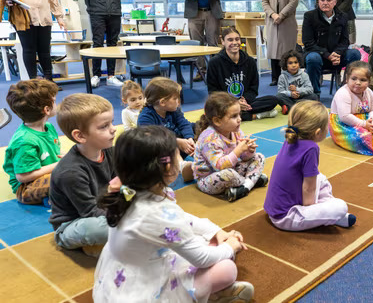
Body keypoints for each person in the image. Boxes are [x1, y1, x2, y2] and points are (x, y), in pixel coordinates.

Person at [93, 126, 253, 303]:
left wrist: (217, 232)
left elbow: (181, 219)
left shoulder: (131, 190)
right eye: (178, 154)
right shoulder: (155, 212)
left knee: (208, 240)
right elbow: (202, 258)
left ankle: (207, 290)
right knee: (226, 268)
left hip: (126, 275)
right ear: (168, 167)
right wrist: (231, 246)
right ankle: (209, 295)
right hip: (142, 293)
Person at [264, 100, 356, 231]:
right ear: (318, 132)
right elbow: (308, 188)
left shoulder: (292, 137)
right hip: (286, 217)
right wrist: (313, 210)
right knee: (341, 207)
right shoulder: (311, 148)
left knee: (320, 177)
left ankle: (327, 214)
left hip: (276, 208)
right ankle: (329, 216)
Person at [49, 93, 116, 256]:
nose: (113, 129)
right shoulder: (70, 172)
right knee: (99, 229)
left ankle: (116, 238)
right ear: (80, 135)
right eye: (104, 126)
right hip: (75, 223)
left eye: (112, 123)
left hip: (105, 208)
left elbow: (121, 186)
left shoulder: (110, 152)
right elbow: (90, 211)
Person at [193, 92, 268, 202]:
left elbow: (244, 158)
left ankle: (245, 187)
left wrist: (249, 151)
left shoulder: (236, 131)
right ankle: (251, 180)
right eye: (234, 116)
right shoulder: (209, 138)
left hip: (232, 169)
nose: (239, 119)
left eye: (239, 114)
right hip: (209, 178)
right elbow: (219, 166)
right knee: (229, 174)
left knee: (259, 157)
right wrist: (238, 150)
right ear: (217, 121)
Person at [4, 79, 60, 205]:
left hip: (47, 174)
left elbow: (54, 152)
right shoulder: (24, 141)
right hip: (26, 187)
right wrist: (59, 165)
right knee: (68, 177)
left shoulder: (49, 127)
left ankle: (55, 196)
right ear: (46, 110)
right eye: (55, 101)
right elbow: (22, 177)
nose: (57, 104)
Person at [207, 27, 279, 121]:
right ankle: (253, 116)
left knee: (273, 100)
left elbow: (253, 89)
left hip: (245, 102)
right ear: (223, 41)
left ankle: (232, 116)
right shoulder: (214, 63)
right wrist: (234, 103)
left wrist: (244, 100)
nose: (234, 43)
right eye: (230, 40)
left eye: (237, 39)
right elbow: (213, 92)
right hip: (225, 103)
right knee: (213, 108)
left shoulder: (250, 61)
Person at [330, 61, 373, 156]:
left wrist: (372, 122)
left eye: (363, 80)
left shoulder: (369, 92)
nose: (358, 83)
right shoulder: (343, 93)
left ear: (369, 82)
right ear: (346, 79)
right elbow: (344, 117)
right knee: (361, 135)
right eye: (353, 79)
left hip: (364, 120)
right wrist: (364, 124)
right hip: (344, 124)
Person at [303, 0, 361, 96]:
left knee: (355, 54)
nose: (325, 3)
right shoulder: (309, 16)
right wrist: (327, 55)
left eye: (328, 0)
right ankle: (315, 93)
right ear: (318, 2)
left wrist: (338, 53)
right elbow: (308, 43)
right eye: (322, 0)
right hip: (318, 56)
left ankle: (347, 89)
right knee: (312, 58)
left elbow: (345, 41)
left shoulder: (343, 16)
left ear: (335, 2)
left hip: (336, 57)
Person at [137, 77, 195, 172]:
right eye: (175, 98)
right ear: (163, 102)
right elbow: (153, 139)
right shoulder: (146, 117)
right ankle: (181, 165)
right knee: (167, 148)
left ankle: (200, 154)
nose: (178, 102)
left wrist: (189, 138)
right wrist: (176, 142)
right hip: (160, 147)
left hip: (177, 140)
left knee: (197, 127)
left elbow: (184, 123)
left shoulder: (173, 110)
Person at [262, 0, 299, 86]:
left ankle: (288, 77)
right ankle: (275, 78)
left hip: (287, 21)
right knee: (273, 49)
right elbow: (264, 2)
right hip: (272, 21)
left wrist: (281, 15)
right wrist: (273, 15)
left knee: (287, 50)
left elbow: (293, 2)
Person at [276, 50, 318, 114]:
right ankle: (300, 108)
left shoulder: (304, 75)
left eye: (296, 62)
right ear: (285, 65)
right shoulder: (282, 77)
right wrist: (290, 94)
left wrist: (297, 90)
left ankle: (291, 108)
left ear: (299, 64)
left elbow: (310, 89)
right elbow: (280, 91)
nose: (294, 65)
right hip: (290, 99)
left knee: (314, 96)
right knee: (278, 96)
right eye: (290, 63)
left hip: (301, 98)